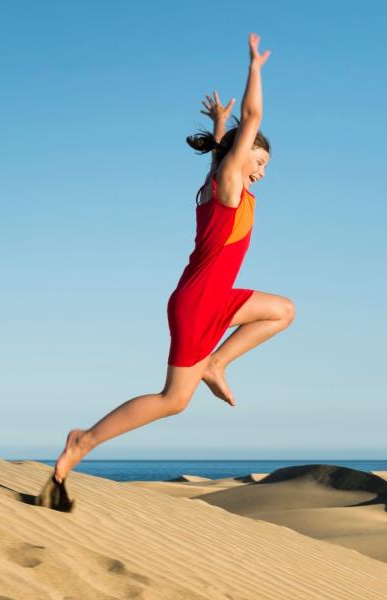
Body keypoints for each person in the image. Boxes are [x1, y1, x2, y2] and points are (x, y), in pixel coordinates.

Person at [41, 33, 292, 501]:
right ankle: (84, 440)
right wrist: (256, 68)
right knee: (173, 400)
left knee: (282, 310)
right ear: (242, 155)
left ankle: (216, 361)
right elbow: (252, 120)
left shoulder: (219, 178)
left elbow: (227, 148)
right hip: (199, 304)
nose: (261, 171)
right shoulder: (229, 184)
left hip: (213, 298)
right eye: (259, 160)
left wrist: (220, 126)